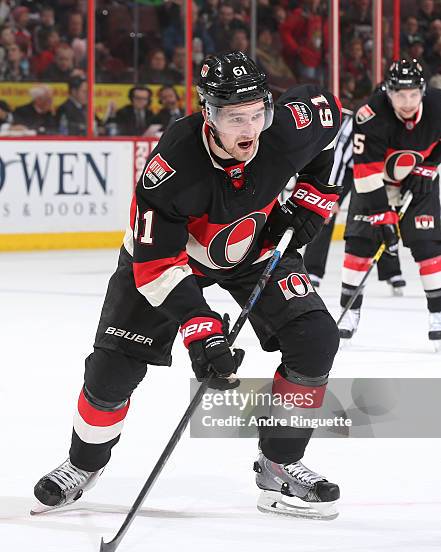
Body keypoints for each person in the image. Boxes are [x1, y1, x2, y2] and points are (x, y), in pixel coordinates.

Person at [33, 52, 342, 520]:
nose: (251, 129)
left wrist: (313, 197)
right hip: (173, 260)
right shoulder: (172, 165)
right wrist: (201, 328)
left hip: (251, 248)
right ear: (208, 113)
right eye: (236, 117)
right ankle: (83, 464)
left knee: (316, 337)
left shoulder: (286, 127)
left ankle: (279, 461)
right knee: (111, 371)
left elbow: (330, 125)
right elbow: (156, 264)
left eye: (259, 112)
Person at [338, 59, 441, 347]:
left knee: (427, 245)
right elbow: (365, 172)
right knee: (359, 244)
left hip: (418, 182)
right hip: (376, 182)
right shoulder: (370, 115)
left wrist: (429, 166)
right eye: (399, 95)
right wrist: (381, 214)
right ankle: (350, 311)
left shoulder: (438, 106)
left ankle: (438, 314)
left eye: (412, 94)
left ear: (422, 91)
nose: (406, 102)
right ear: (388, 92)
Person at [304, 109, 406, 294]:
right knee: (324, 213)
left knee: (381, 215)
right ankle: (312, 270)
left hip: (373, 170)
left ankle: (392, 272)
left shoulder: (395, 122)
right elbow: (338, 158)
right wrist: (329, 194)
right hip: (346, 169)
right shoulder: (357, 122)